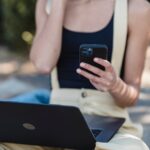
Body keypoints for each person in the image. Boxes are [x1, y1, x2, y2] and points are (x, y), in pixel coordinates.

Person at [0, 0, 150, 150]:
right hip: (56, 121)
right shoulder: (47, 5)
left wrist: (115, 85)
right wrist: (58, 5)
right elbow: (43, 64)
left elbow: (132, 96)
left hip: (109, 118)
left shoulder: (136, 9)